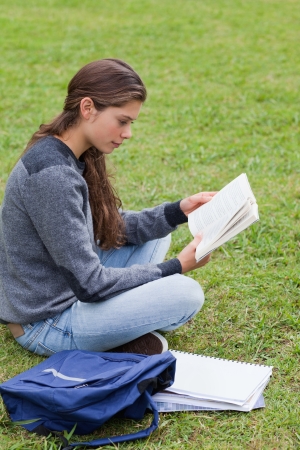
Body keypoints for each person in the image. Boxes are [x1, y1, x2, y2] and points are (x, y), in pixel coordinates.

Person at [0, 58, 216, 357]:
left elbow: (108, 227)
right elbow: (90, 285)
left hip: (69, 286)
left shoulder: (68, 149)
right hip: (46, 322)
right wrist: (175, 267)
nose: (128, 133)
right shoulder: (52, 176)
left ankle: (123, 324)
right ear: (87, 108)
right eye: (122, 121)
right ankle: (122, 328)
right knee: (187, 293)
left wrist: (179, 210)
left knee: (157, 233)